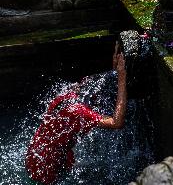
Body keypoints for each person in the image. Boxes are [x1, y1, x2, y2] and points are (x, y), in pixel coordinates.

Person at [25, 43, 127, 184]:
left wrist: (115, 67)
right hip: (46, 171)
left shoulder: (65, 96)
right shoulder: (79, 112)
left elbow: (95, 82)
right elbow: (116, 123)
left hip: (34, 157)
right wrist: (122, 78)